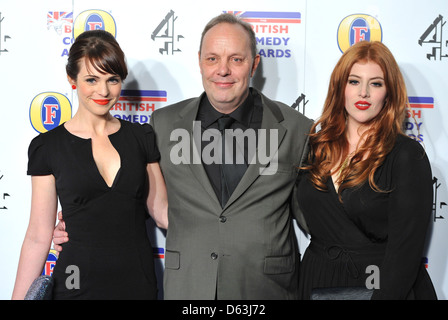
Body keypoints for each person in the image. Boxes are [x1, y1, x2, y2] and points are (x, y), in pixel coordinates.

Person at [54, 13, 313, 300]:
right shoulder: (163, 125)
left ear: (254, 64)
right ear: (200, 61)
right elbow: (133, 201)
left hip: (266, 291)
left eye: (236, 59)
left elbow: (318, 218)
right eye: (213, 58)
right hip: (189, 289)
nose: (223, 70)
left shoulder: (296, 128)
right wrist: (77, 225)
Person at [12, 29, 168, 300]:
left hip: (137, 284)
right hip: (75, 285)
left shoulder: (141, 138)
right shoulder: (48, 146)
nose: (103, 91)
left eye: (113, 79)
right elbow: (38, 235)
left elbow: (163, 212)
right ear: (72, 79)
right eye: (92, 79)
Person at [297, 40, 437, 299]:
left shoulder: (406, 156)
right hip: (317, 281)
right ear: (340, 88)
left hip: (382, 286)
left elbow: (405, 253)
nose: (363, 92)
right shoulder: (314, 147)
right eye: (354, 81)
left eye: (376, 83)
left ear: (389, 93)